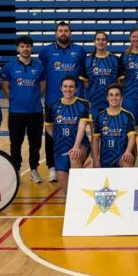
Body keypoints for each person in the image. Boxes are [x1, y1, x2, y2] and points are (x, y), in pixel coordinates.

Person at [39, 21, 86, 182]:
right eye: (60, 31)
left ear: (70, 33)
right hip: (53, 101)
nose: (63, 33)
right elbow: (42, 75)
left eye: (66, 30)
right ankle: (52, 167)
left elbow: (83, 74)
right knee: (52, 135)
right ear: (56, 33)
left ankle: (74, 163)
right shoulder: (46, 52)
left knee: (74, 133)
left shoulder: (79, 51)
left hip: (74, 103)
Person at [1, 35, 46, 183]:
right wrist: (13, 99)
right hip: (16, 112)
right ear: (17, 48)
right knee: (16, 143)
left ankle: (34, 170)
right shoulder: (9, 66)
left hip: (35, 112)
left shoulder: (39, 65)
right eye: (22, 46)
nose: (25, 49)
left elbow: (43, 84)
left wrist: (34, 97)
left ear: (31, 48)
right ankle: (16, 169)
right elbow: (5, 86)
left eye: (27, 46)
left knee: (35, 144)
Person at [44, 76, 91, 193]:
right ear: (61, 88)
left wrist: (76, 146)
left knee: (74, 156)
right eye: (65, 86)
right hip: (60, 147)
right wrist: (57, 137)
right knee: (67, 193)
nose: (68, 89)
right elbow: (48, 126)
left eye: (71, 87)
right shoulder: (53, 106)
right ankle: (72, 203)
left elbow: (82, 127)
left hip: (79, 144)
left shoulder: (83, 104)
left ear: (76, 89)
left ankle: (82, 196)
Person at [91, 84, 136, 168]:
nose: (114, 98)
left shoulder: (128, 115)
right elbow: (95, 140)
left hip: (121, 157)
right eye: (111, 95)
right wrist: (95, 160)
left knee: (127, 160)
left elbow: (132, 137)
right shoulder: (100, 116)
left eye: (117, 95)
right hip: (105, 159)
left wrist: (128, 152)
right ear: (107, 98)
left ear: (121, 98)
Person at [82, 31, 124, 119]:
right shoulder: (88, 60)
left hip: (111, 103)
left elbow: (120, 83)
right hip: (93, 104)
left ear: (107, 42)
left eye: (103, 40)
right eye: (98, 39)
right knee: (95, 131)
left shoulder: (115, 59)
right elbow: (85, 84)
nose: (100, 42)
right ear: (94, 42)